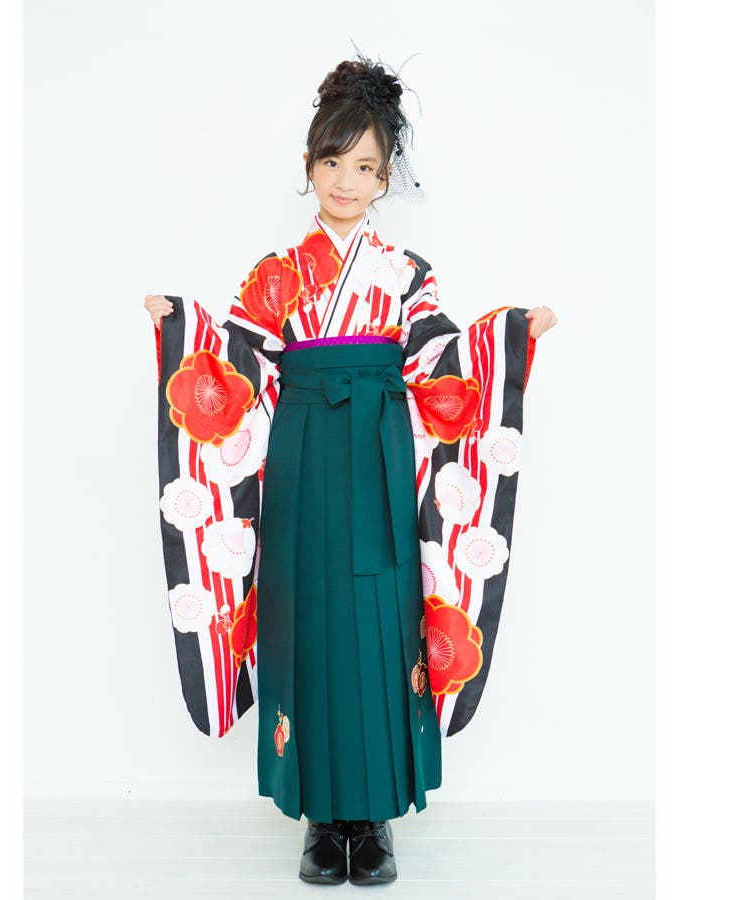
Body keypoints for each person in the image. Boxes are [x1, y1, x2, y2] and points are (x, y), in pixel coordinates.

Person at [144, 49, 557, 887]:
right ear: (310, 166)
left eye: (365, 166)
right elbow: (238, 367)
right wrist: (182, 326)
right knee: (305, 617)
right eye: (333, 162)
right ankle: (319, 819)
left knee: (380, 620)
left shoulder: (405, 276)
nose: (346, 180)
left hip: (376, 453)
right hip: (301, 452)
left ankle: (372, 819)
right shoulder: (276, 276)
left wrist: (508, 336)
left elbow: (439, 363)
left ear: (385, 177)